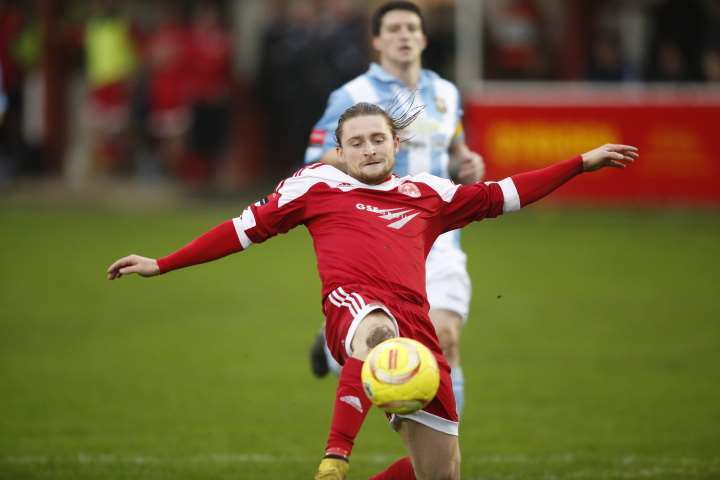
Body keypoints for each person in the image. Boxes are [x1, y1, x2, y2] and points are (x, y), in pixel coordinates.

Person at [107, 101, 637, 480]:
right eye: (355, 142)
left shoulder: (429, 194)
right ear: (340, 151)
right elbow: (241, 229)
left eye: (377, 139)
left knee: (441, 473)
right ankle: (334, 459)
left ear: (396, 144)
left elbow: (505, 194)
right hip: (352, 310)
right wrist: (163, 264)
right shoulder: (316, 186)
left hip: (418, 335)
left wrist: (580, 163)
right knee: (376, 329)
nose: (367, 149)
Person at [305, 0, 483, 422]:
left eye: (411, 28)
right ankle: (338, 351)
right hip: (378, 237)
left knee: (445, 335)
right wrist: (368, 161)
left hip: (439, 237)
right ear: (377, 41)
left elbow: (455, 147)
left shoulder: (445, 93)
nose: (403, 35)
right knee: (383, 340)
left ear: (423, 38)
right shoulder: (352, 96)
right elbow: (314, 157)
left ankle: (444, 445)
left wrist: (467, 161)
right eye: (394, 29)